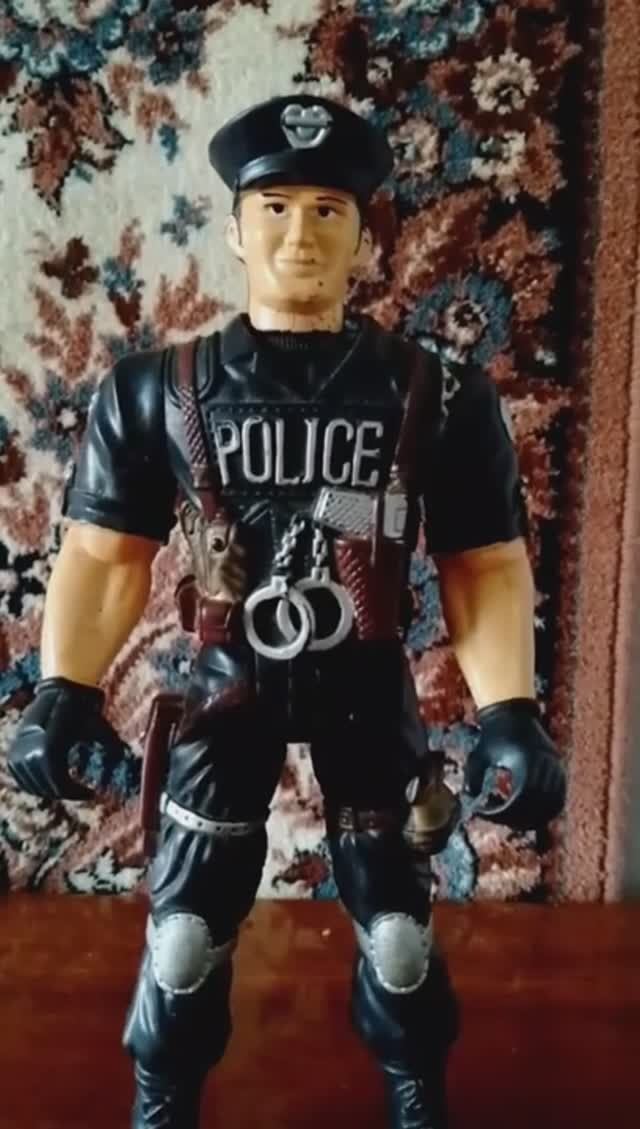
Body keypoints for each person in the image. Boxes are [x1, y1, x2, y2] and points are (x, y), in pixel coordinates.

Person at [8, 95, 566, 1129]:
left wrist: (509, 712)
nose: (298, 234)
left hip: (365, 677)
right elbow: (100, 554)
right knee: (183, 939)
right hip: (226, 683)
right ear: (233, 227)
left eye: (325, 210)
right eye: (273, 209)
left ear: (362, 232)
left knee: (398, 937)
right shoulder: (156, 390)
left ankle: (415, 1092)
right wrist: (62, 689)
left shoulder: (438, 393)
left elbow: (484, 561)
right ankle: (163, 1099)